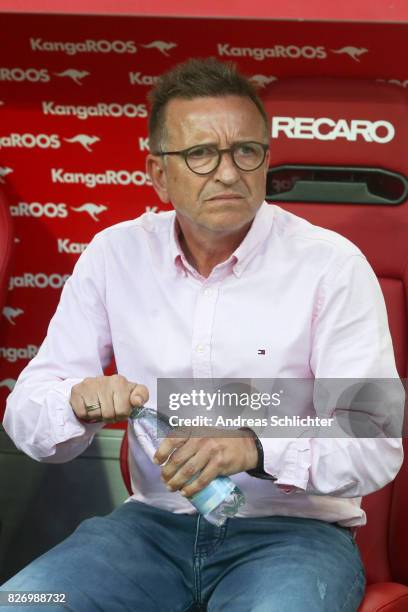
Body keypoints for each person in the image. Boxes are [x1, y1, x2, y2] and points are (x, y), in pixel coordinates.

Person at [1, 57, 403, 611]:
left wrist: (255, 448)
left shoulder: (332, 266)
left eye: (246, 151)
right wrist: (74, 402)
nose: (229, 172)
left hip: (294, 538)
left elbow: (373, 438)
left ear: (266, 160)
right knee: (26, 602)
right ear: (158, 173)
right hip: (149, 531)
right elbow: (25, 414)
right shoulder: (114, 256)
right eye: (199, 154)